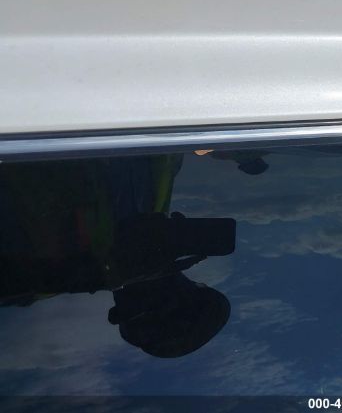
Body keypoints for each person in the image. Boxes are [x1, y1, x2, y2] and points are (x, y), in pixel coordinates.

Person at [0, 153, 236, 358]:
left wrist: (92, 271)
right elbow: (164, 133)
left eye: (193, 286)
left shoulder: (35, 277)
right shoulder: (153, 215)